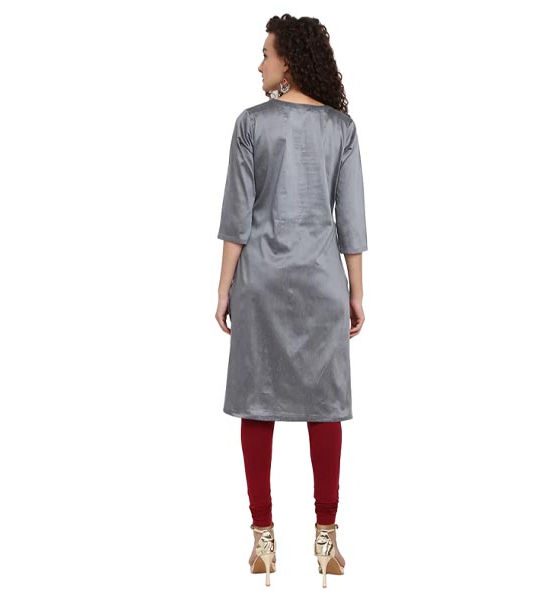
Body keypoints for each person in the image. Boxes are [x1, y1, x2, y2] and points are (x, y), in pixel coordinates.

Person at [215, 14, 367, 588]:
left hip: (260, 281)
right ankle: (326, 540)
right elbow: (350, 218)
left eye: (266, 54)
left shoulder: (251, 124)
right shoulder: (340, 128)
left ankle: (263, 541)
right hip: (322, 284)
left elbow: (237, 217)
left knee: (258, 402)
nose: (260, 64)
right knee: (324, 406)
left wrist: (224, 288)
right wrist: (356, 290)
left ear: (289, 62)